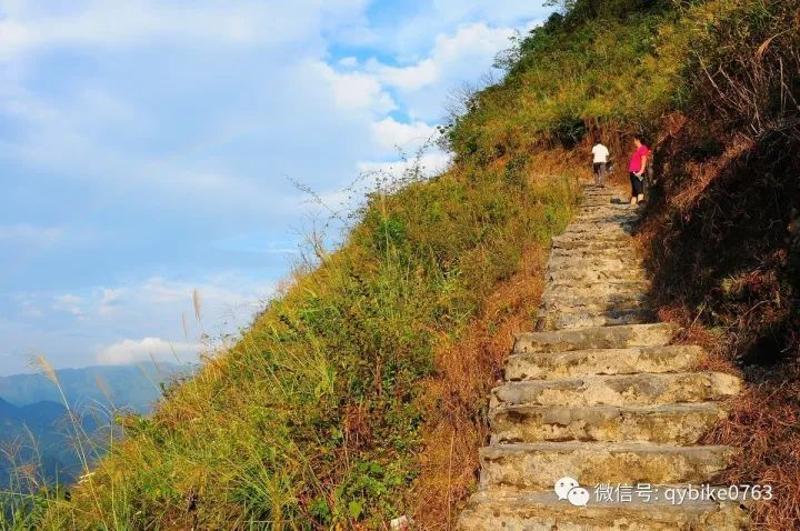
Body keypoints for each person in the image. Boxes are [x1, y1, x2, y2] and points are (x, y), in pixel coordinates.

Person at [628, 134, 650, 206]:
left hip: (637, 172)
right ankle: (632, 206)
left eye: (634, 140)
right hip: (633, 172)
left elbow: (644, 160)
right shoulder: (637, 150)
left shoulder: (643, 148)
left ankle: (641, 206)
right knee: (634, 190)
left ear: (638, 140)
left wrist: (641, 171)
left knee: (639, 188)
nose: (633, 142)